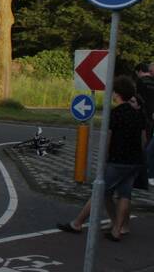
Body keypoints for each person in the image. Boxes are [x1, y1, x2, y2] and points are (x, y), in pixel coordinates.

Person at [58, 76, 148, 241]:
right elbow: (143, 140)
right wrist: (138, 155)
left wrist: (103, 158)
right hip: (134, 161)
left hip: (117, 160)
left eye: (113, 92)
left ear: (117, 94)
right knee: (124, 194)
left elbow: (108, 138)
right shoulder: (138, 114)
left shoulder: (114, 114)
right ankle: (117, 229)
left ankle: (77, 223)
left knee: (99, 191)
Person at [135, 61, 154, 186]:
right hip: (151, 116)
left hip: (145, 116)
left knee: (147, 148)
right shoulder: (152, 81)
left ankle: (148, 174)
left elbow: (138, 99)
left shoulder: (141, 82)